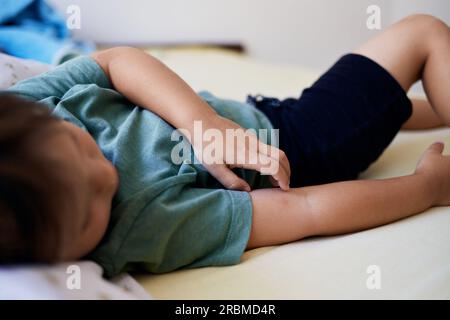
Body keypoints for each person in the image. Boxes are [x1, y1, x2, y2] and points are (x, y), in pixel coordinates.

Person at [1, 14, 450, 277]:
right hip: (301, 142)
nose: (107, 176)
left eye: (83, 149)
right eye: (88, 214)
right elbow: (303, 209)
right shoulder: (143, 223)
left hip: (258, 112)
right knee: (423, 34)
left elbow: (114, 60)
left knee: (395, 106)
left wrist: (204, 124)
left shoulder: (23, 107)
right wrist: (426, 188)